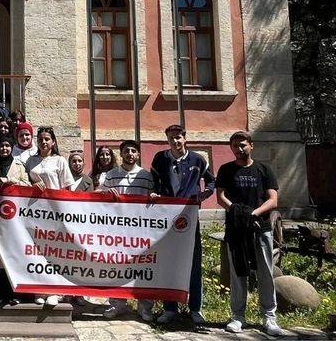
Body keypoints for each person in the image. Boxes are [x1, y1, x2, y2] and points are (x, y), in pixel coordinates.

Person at [217, 131, 282, 337]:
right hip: (236, 230)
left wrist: (253, 214)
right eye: (235, 146)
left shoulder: (263, 170)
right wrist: (236, 211)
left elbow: (273, 200)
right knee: (238, 274)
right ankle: (238, 317)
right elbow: (220, 196)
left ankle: (269, 317)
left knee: (265, 272)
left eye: (243, 145)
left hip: (260, 229)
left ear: (251, 145)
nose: (239, 149)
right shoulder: (226, 170)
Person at [151, 124, 215, 325]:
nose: (175, 141)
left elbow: (211, 181)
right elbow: (154, 183)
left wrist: (206, 192)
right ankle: (170, 308)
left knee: (193, 261)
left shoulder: (197, 159)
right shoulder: (160, 159)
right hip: (167, 217)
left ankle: (196, 308)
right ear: (167, 140)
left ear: (185, 138)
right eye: (171, 138)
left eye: (178, 137)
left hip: (189, 216)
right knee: (168, 262)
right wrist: (154, 193)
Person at [97, 140, 157, 321]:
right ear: (121, 154)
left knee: (143, 267)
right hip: (117, 230)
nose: (130, 154)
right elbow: (100, 194)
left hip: (140, 231)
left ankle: (145, 306)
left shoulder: (146, 176)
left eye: (133, 151)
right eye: (126, 151)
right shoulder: (111, 174)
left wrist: (154, 196)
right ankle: (117, 304)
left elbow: (153, 197)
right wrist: (106, 194)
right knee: (116, 267)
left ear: (138, 154)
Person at [25, 126, 73, 306]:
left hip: (55, 212)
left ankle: (56, 291)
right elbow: (24, 183)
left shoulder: (60, 161)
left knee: (55, 252)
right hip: (35, 212)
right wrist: (32, 184)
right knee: (37, 251)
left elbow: (67, 189)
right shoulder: (30, 161)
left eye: (47, 139)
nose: (44, 142)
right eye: (41, 139)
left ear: (53, 142)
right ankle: (40, 289)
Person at [0, 136, 29, 306]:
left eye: (8, 146)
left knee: (13, 258)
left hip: (14, 219)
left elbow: (27, 185)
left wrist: (11, 181)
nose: (4, 149)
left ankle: (14, 294)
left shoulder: (19, 166)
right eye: (2, 146)